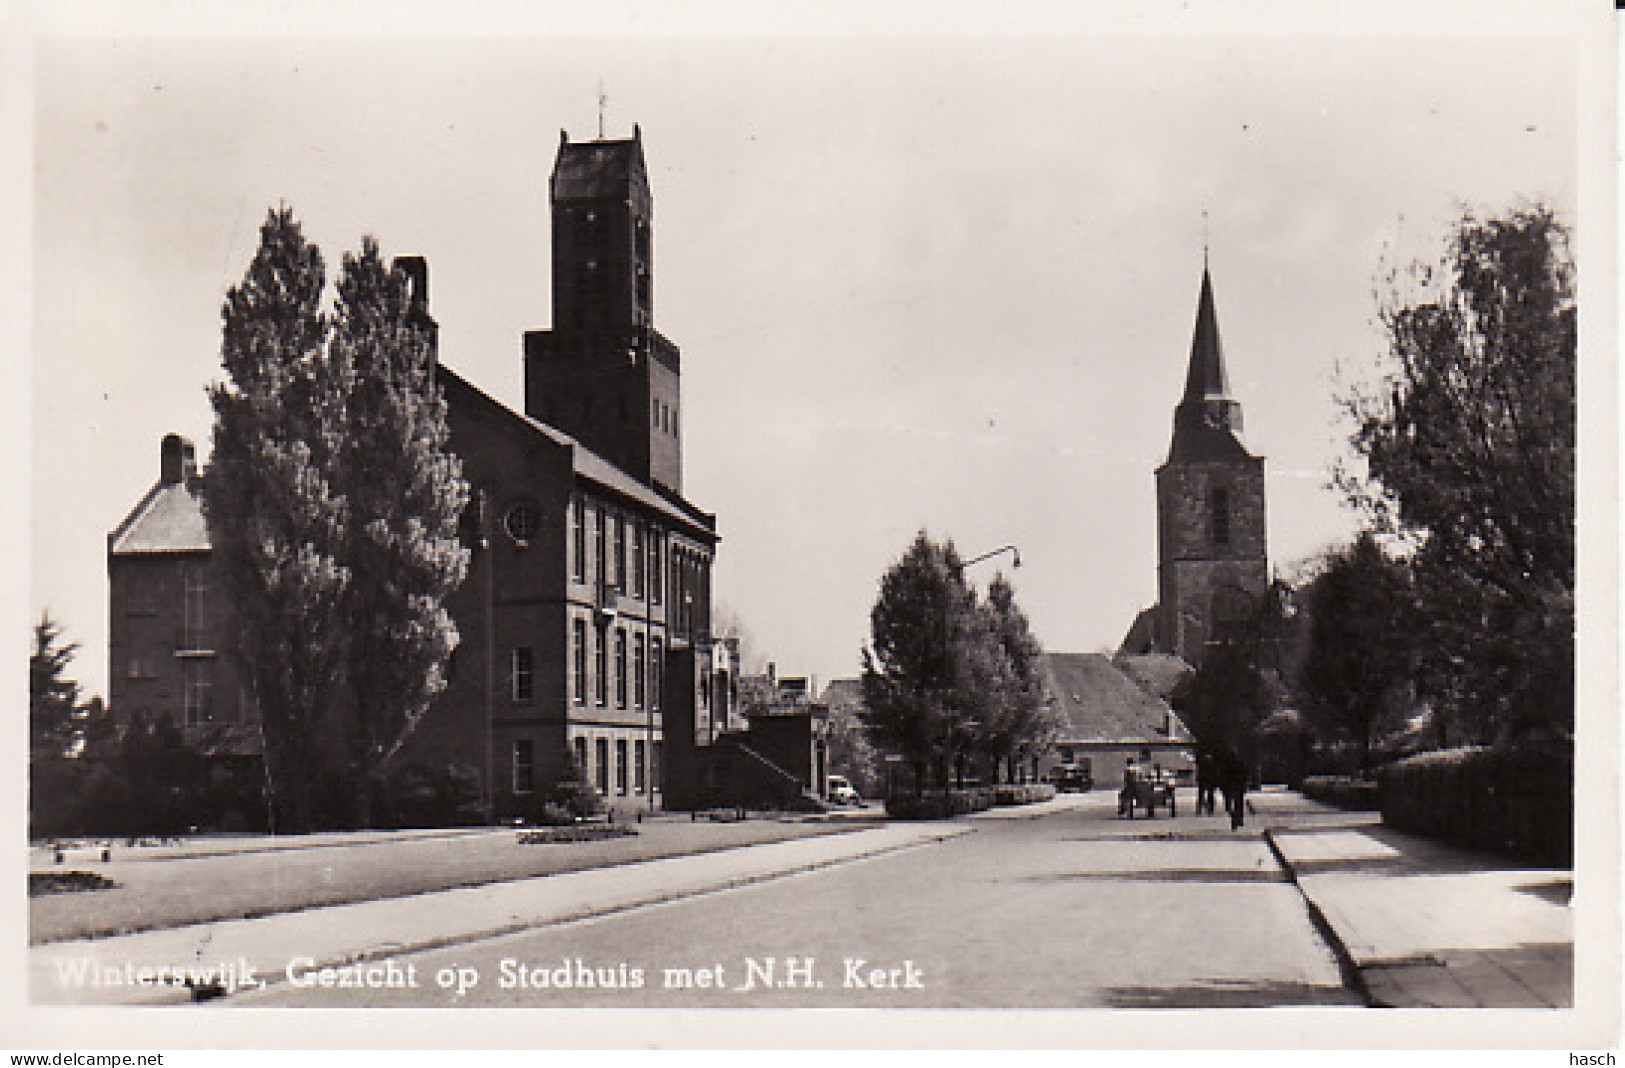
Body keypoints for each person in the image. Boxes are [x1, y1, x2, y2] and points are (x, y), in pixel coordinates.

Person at [1218, 751, 1249, 830]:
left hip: (1230, 785)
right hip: (1238, 785)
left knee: (1231, 802)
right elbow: (1245, 774)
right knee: (1239, 803)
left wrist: (1222, 785)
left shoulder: (1226, 765)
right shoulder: (1241, 764)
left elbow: (1222, 775)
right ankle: (1238, 818)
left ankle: (1234, 816)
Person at [1195, 747, 1218, 816]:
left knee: (1207, 793)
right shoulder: (1203, 757)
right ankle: (1204, 809)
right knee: (1203, 792)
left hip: (1208, 776)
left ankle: (1207, 809)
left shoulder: (1205, 757)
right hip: (1205, 776)